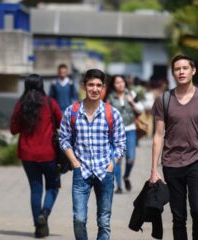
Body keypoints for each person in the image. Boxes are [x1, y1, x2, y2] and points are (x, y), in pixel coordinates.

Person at [149, 54, 198, 240]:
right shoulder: (163, 100)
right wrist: (153, 169)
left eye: (185, 68)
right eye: (177, 69)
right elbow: (158, 135)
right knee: (178, 216)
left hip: (197, 160)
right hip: (171, 163)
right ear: (172, 73)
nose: (181, 72)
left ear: (193, 71)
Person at [59, 69, 126, 240]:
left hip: (105, 172)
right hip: (81, 172)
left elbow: (120, 143)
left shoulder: (112, 113)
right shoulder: (71, 112)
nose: (95, 89)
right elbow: (64, 139)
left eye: (98, 85)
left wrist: (113, 164)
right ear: (84, 86)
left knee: (104, 222)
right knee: (79, 220)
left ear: (103, 87)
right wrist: (74, 162)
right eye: (91, 85)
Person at [10, 74, 62, 238]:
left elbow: (13, 129)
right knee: (53, 187)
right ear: (41, 86)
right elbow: (62, 123)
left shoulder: (20, 105)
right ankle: (44, 215)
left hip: (27, 154)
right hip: (48, 154)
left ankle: (38, 227)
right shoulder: (50, 103)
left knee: (35, 189)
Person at [105, 75, 142, 194]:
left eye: (122, 82)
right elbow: (105, 113)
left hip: (130, 129)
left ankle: (126, 176)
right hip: (116, 132)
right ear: (113, 85)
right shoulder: (110, 97)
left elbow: (140, 109)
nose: (120, 84)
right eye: (117, 82)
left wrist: (132, 102)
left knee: (131, 158)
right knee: (117, 160)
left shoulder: (131, 94)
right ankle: (119, 186)